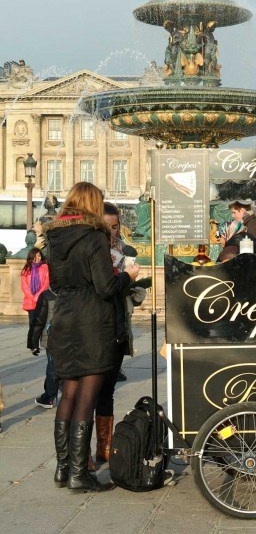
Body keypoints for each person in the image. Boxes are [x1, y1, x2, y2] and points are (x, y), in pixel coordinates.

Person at [44, 182, 140, 492]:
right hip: (92, 321)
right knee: (88, 395)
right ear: (92, 206)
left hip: (64, 316)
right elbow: (106, 288)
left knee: (68, 393)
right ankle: (79, 474)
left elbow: (56, 284)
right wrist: (129, 276)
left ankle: (62, 468)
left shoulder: (55, 238)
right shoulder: (95, 237)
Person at [92, 202, 146, 467]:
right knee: (88, 392)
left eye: (116, 226)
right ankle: (78, 457)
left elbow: (133, 296)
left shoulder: (122, 250)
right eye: (109, 227)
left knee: (108, 390)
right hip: (94, 328)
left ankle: (105, 446)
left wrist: (134, 282)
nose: (114, 232)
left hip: (118, 327)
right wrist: (123, 277)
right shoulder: (91, 251)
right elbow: (101, 288)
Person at [29, 287, 60, 408]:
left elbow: (38, 320)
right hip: (71, 338)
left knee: (52, 368)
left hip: (52, 338)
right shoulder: (78, 290)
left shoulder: (48, 294)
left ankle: (49, 397)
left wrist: (33, 343)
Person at [21, 247, 50, 352]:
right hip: (30, 301)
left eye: (39, 255)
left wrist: (38, 295)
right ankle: (33, 346)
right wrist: (32, 297)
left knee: (43, 323)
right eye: (35, 256)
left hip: (42, 301)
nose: (38, 258)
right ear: (31, 257)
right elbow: (24, 286)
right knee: (32, 323)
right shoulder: (26, 269)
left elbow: (46, 283)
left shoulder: (45, 267)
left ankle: (43, 342)